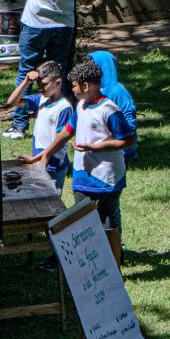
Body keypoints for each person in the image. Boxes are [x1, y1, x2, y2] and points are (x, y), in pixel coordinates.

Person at [8, 0, 75, 133]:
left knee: (27, 72)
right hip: (64, 21)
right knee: (59, 72)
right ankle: (61, 119)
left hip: (35, 21)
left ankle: (19, 124)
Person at [69, 58, 134, 237]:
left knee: (107, 224)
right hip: (83, 175)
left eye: (74, 86)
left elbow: (127, 140)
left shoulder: (109, 109)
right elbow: (69, 129)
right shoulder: (81, 105)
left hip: (107, 178)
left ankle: (114, 260)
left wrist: (94, 147)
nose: (72, 90)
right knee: (80, 218)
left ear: (86, 86)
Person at [12, 61, 75, 194]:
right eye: (38, 85)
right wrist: (26, 82)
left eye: (44, 84)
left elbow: (59, 141)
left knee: (53, 204)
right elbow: (12, 102)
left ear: (58, 83)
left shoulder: (64, 107)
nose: (41, 88)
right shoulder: (40, 99)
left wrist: (35, 159)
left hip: (54, 166)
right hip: (39, 161)